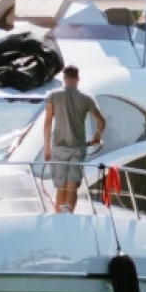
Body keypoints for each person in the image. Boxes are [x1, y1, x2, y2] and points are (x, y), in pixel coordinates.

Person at [41, 65, 106, 211]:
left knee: (61, 187)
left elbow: (47, 123)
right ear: (77, 79)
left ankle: (59, 218)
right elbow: (101, 121)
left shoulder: (53, 96)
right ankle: (69, 216)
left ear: (64, 79)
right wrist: (97, 134)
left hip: (58, 147)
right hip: (78, 148)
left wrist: (46, 148)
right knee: (72, 187)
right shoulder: (87, 98)